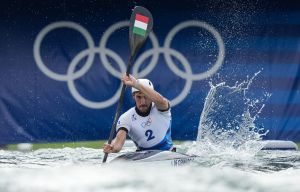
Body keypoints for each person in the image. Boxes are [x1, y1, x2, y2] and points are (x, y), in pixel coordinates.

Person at [103, 74, 173, 153]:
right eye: (138, 97)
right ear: (133, 97)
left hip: (167, 153)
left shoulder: (161, 107)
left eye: (146, 96)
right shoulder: (126, 117)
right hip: (143, 157)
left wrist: (136, 84)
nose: (142, 102)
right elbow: (118, 142)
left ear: (151, 95)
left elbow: (161, 100)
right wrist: (113, 147)